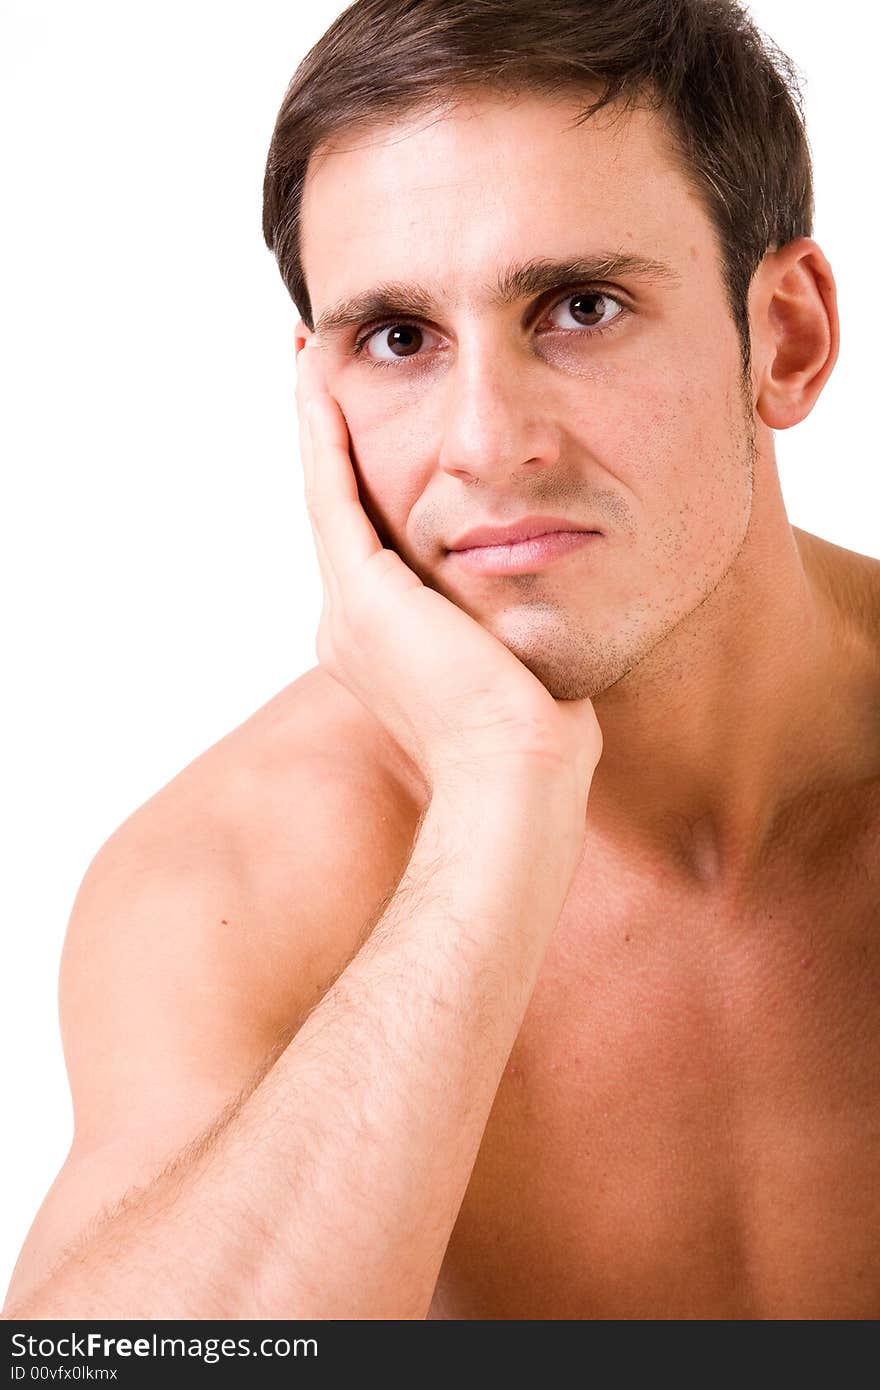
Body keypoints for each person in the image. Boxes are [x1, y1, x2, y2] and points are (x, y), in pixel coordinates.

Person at [3, 0, 878, 1321]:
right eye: (399, 339)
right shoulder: (238, 876)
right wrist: (497, 802)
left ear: (787, 338)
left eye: (582, 307)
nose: (483, 440)